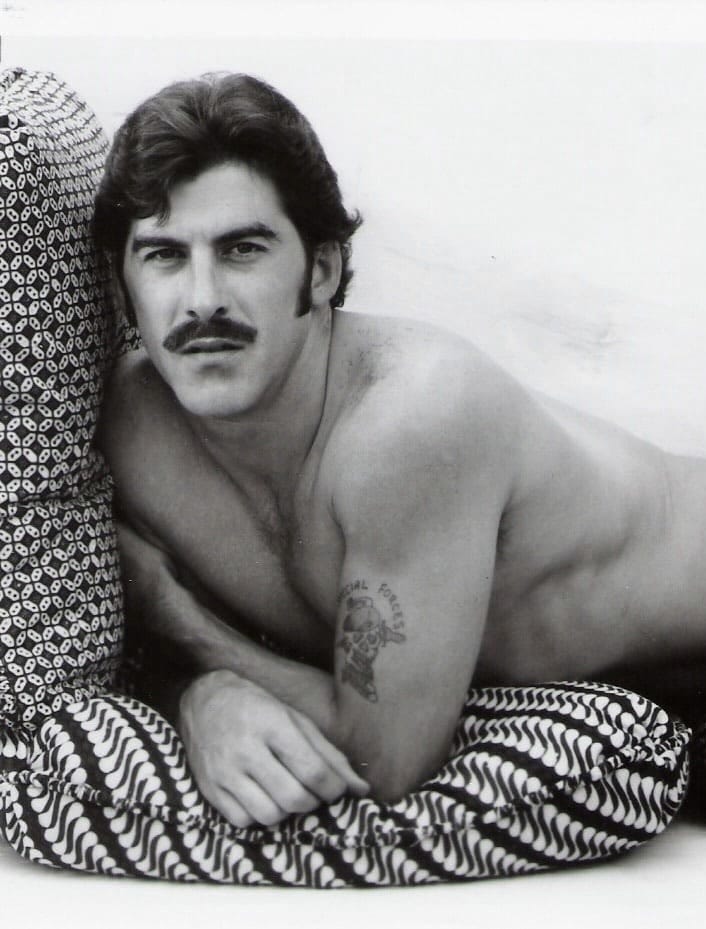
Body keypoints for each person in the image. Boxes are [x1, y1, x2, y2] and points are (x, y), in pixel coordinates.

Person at [95, 71, 706, 830]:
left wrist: (181, 631)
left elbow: (381, 763)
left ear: (320, 270)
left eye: (242, 249)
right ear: (123, 284)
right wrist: (196, 691)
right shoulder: (132, 431)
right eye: (163, 255)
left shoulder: (408, 422)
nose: (202, 299)